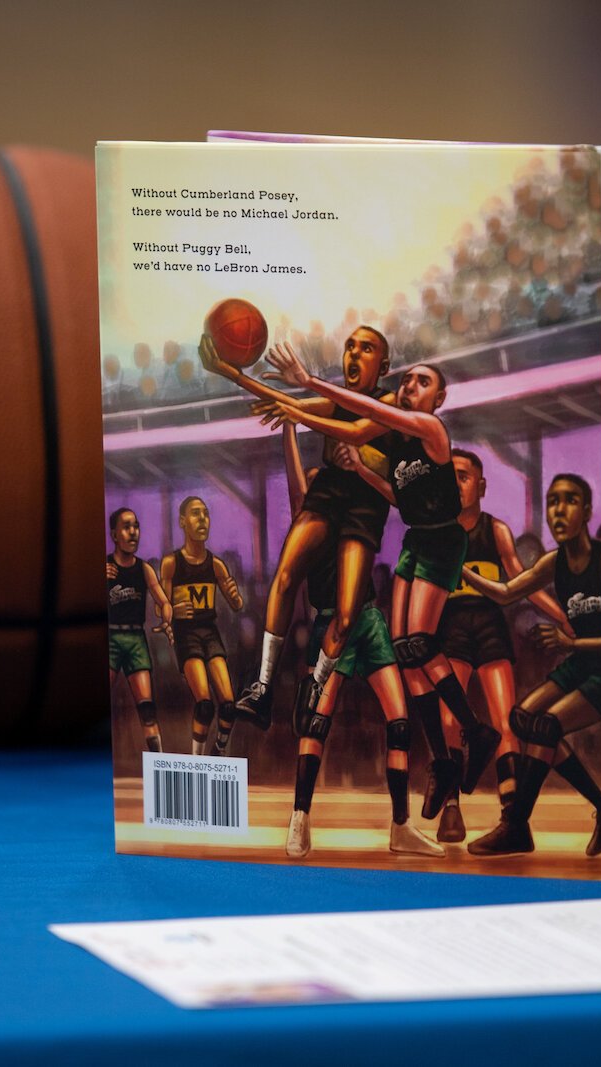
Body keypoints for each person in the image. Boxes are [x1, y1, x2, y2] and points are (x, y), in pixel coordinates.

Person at [262, 349, 503, 822]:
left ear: (440, 398)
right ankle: (442, 763)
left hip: (441, 542)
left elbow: (361, 415)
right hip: (417, 538)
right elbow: (387, 476)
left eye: (423, 383)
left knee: (415, 644)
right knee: (408, 653)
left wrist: (306, 385)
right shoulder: (396, 442)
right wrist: (363, 472)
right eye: (408, 381)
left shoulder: (432, 431)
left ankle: (476, 730)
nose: (411, 387)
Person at [198, 326, 394, 736]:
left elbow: (354, 427)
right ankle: (264, 688)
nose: (354, 355)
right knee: (285, 576)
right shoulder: (335, 403)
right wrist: (230, 373)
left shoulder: (391, 404)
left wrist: (300, 408)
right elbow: (284, 401)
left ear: (384, 365)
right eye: (350, 347)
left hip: (363, 506)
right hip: (330, 494)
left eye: (366, 348)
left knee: (345, 614)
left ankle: (315, 684)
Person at [276, 423, 441, 859]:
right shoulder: (307, 520)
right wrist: (289, 428)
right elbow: (297, 484)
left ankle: (401, 826)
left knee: (400, 722)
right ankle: (300, 817)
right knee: (316, 722)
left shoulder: (353, 516)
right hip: (331, 625)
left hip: (367, 620)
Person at [456, 474, 601, 858]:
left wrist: (569, 643)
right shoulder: (553, 562)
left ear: (588, 511)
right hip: (581, 661)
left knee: (545, 727)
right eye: (553, 502)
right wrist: (458, 567)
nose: (559, 510)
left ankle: (515, 826)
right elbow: (507, 592)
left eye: (570, 500)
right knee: (522, 719)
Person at [431, 449, 573, 841]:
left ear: (481, 486)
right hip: (452, 629)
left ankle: (511, 816)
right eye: (451, 476)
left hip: (490, 626)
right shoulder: (438, 533)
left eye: (463, 476)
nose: (456, 484)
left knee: (504, 720)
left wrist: (560, 615)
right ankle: (452, 808)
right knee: (447, 722)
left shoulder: (496, 531)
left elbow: (521, 582)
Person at [157, 497, 244, 755]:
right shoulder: (172, 563)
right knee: (205, 704)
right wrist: (171, 610)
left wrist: (233, 592)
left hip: (210, 632)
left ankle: (219, 749)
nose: (202, 519)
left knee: (228, 705)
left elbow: (237, 605)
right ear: (183, 522)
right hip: (187, 635)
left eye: (206, 514)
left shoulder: (216, 565)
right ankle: (197, 761)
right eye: (195, 514)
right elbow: (159, 608)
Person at [106, 508, 173, 752]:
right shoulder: (105, 567)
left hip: (135, 638)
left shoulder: (143, 569)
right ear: (114, 534)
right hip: (111, 637)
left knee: (147, 707)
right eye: (126, 527)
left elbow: (163, 600)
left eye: (136, 526)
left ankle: (158, 761)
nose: (133, 532)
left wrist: (167, 619)